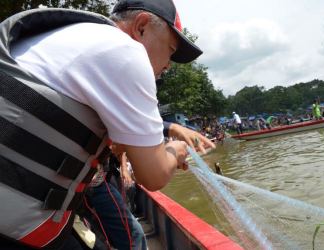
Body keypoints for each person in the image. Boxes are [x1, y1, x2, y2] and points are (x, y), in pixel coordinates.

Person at [0, 0, 214, 248]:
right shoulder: (127, 52)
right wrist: (174, 151)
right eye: (170, 50)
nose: (168, 65)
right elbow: (153, 176)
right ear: (142, 26)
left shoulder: (66, 36)